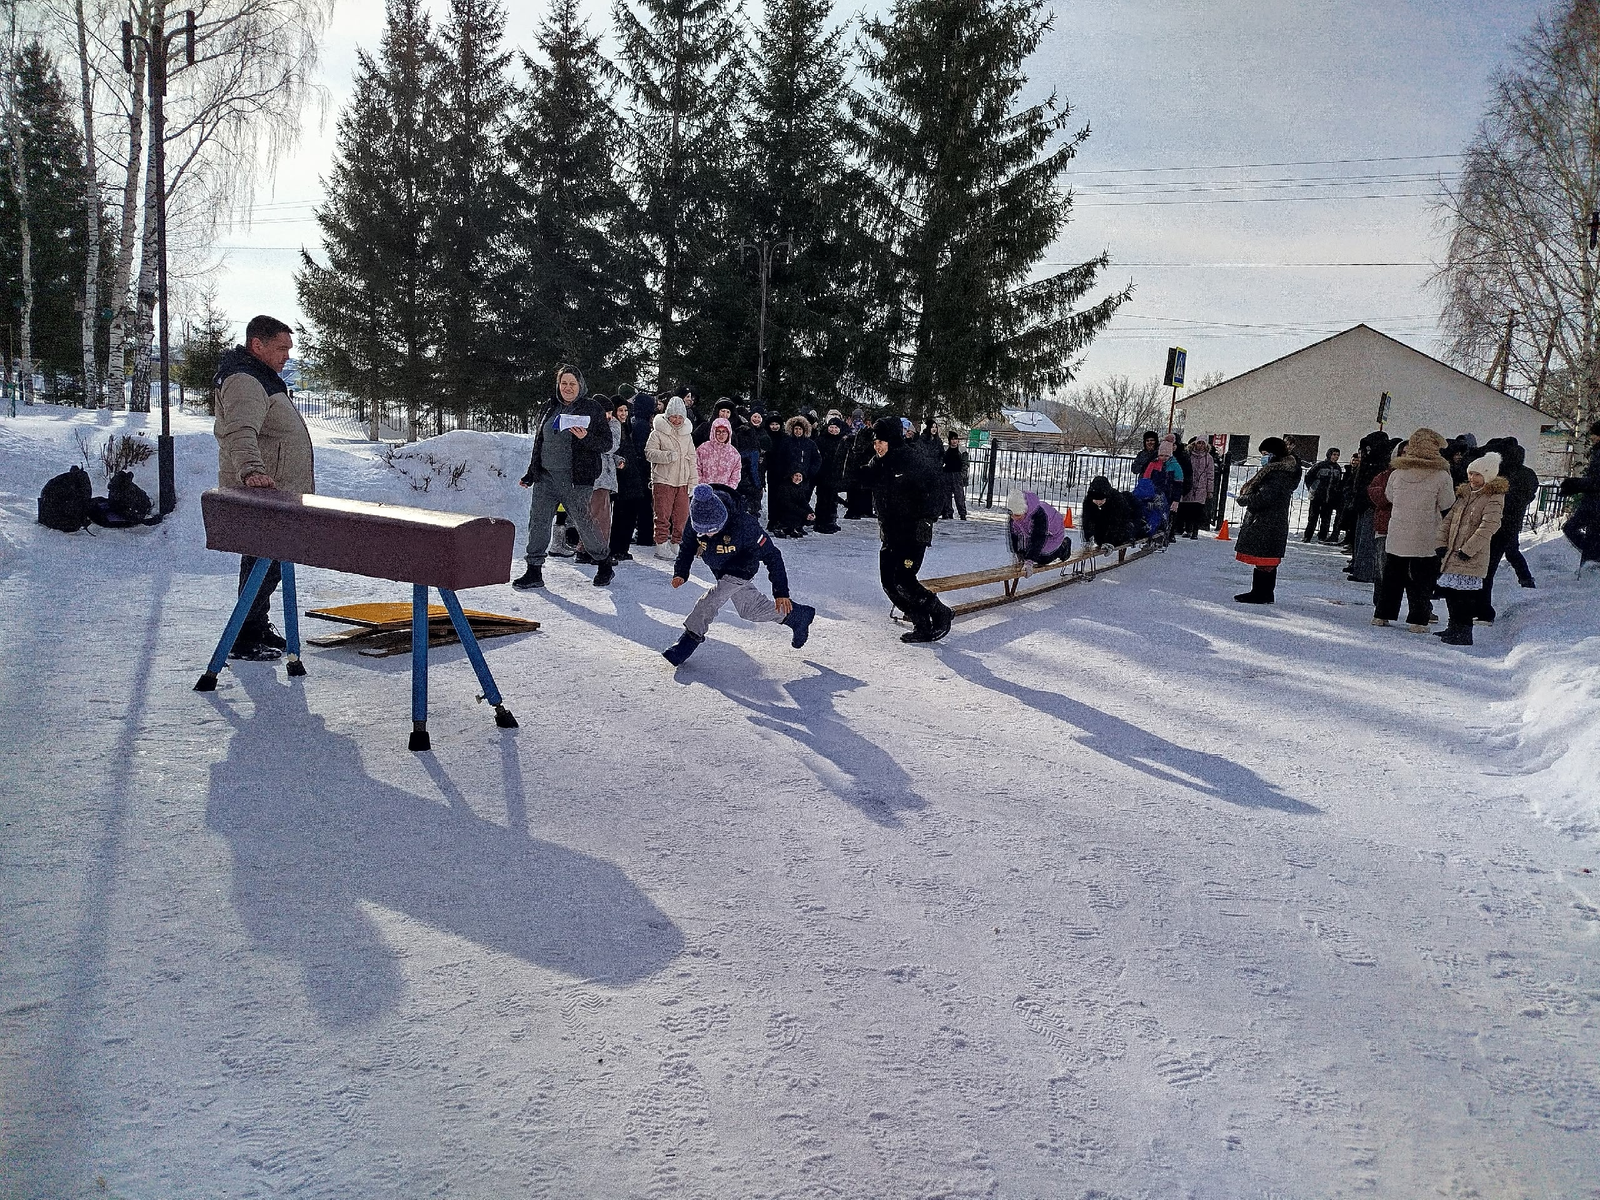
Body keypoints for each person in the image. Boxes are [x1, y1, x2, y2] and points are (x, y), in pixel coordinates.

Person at [212, 314, 314, 661]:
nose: (287, 356)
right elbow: (240, 430)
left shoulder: (259, 377)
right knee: (262, 563)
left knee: (268, 563)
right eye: (281, 348)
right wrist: (252, 472)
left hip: (277, 492)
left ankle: (255, 624)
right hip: (264, 492)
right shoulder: (244, 379)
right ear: (258, 345)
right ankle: (244, 635)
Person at [661, 484, 816, 665]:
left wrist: (781, 592)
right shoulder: (695, 520)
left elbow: (772, 555)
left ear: (723, 518)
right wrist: (681, 572)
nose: (708, 535)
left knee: (710, 601)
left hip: (742, 568)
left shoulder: (745, 525)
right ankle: (797, 616)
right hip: (719, 568)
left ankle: (687, 642)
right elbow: (687, 547)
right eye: (703, 531)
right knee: (750, 610)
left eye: (713, 529)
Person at [515, 364, 616, 589]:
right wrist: (532, 473)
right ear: (558, 385)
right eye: (564, 383)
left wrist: (586, 437)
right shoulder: (549, 407)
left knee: (584, 523)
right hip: (546, 477)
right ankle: (534, 571)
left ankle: (604, 563)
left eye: (572, 384)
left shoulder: (592, 408)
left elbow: (606, 443)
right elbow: (539, 442)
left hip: (575, 479)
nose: (567, 388)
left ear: (580, 385)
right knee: (538, 522)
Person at [863, 415, 951, 643]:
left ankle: (940, 613)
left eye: (881, 441)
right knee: (889, 583)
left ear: (892, 439)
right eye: (875, 442)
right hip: (890, 534)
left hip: (913, 533)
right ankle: (921, 623)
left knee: (904, 579)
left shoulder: (912, 460)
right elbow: (856, 478)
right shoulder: (877, 463)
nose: (877, 446)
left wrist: (927, 519)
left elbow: (937, 486)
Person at [1372, 428, 1457, 631]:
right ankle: (1418, 620)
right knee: (1422, 579)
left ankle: (1382, 615)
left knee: (1392, 576)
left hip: (1398, 532)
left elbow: (1390, 497)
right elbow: (1447, 503)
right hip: (1426, 535)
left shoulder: (1397, 473)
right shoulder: (1441, 475)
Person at [1433, 452, 1508, 646]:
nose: (1472, 478)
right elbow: (1449, 520)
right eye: (1470, 473)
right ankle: (1453, 627)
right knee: (1450, 591)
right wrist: (1441, 543)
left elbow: (1489, 525)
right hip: (1452, 552)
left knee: (1464, 596)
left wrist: (1469, 549)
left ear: (1488, 476)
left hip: (1471, 555)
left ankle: (1464, 631)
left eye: (1477, 475)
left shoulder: (1494, 497)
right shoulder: (1465, 494)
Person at [1474, 437, 1539, 620]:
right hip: (1511, 524)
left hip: (1493, 524)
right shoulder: (1527, 474)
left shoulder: (1499, 474)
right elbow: (1530, 496)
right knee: (1509, 554)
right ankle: (1525, 580)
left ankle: (1483, 610)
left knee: (1485, 568)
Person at [1232, 437, 1302, 604]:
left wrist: (1246, 499)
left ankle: (1261, 593)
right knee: (1265, 558)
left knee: (1265, 558)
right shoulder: (1281, 471)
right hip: (1271, 520)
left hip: (1268, 521)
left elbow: (1265, 497)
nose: (1263, 457)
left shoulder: (1277, 473)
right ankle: (1261, 592)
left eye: (1265, 454)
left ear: (1274, 454)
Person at [645, 395, 699, 556]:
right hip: (663, 480)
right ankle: (661, 545)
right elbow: (649, 453)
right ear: (668, 416)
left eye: (680, 417)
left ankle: (677, 544)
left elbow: (692, 459)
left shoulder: (687, 435)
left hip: (682, 481)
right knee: (662, 515)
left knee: (682, 517)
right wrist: (667, 456)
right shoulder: (657, 433)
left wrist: (693, 482)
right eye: (673, 416)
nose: (676, 420)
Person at [577, 394, 621, 563]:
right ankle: (596, 551)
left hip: (601, 477)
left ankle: (587, 549)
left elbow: (611, 448)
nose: (609, 417)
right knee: (598, 515)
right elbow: (609, 445)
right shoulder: (599, 426)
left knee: (597, 514)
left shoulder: (609, 425)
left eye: (611, 413)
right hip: (595, 477)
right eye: (606, 413)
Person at [609, 396, 649, 562]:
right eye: (620, 410)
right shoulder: (613, 427)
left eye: (625, 410)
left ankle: (622, 548)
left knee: (630, 514)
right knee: (620, 514)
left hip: (632, 477)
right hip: (621, 477)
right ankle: (616, 548)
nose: (624, 413)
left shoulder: (627, 427)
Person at [767, 415, 820, 537]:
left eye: (800, 429)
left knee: (802, 501)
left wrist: (810, 472)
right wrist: (784, 474)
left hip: (804, 478)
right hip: (788, 478)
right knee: (786, 502)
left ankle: (798, 525)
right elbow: (780, 459)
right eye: (796, 429)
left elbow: (817, 459)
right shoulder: (786, 442)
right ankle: (783, 524)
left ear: (804, 430)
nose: (798, 431)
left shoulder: (810, 444)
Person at [1559, 420, 1600, 566]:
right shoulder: (1596, 452)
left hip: (1594, 503)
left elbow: (1596, 481)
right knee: (1588, 535)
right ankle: (1592, 558)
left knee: (1573, 529)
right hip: (1592, 502)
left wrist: (1574, 484)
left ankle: (1594, 558)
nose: (1592, 438)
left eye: (1595, 434)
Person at [1007, 489, 1072, 570]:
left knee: (1042, 558)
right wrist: (1017, 553)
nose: (1014, 518)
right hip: (1032, 531)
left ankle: (1063, 547)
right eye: (1012, 515)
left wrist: (1029, 561)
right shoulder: (1014, 514)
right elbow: (1014, 534)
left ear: (1025, 511)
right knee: (1026, 552)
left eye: (1017, 515)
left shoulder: (1039, 515)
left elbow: (1038, 537)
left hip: (1054, 534)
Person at [1081, 475, 1139, 546]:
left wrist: (1109, 541)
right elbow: (1087, 520)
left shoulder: (1117, 500)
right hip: (1103, 524)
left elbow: (1118, 522)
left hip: (1123, 525)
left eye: (1102, 500)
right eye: (1096, 500)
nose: (1099, 503)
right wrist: (1088, 538)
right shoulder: (1088, 501)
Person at [812, 415, 847, 533]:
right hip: (823, 474)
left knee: (833, 499)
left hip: (836, 475)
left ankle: (831, 521)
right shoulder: (821, 440)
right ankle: (820, 523)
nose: (833, 430)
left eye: (836, 427)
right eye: (831, 427)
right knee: (823, 499)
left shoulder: (842, 441)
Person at [1302, 448, 1343, 542]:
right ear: (1329, 455)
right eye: (1334, 454)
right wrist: (1312, 489)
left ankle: (1322, 536)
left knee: (1326, 518)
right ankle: (1307, 536)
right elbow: (1308, 477)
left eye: (1337, 455)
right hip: (1317, 496)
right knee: (1313, 517)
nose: (1335, 457)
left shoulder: (1337, 468)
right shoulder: (1319, 466)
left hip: (1330, 498)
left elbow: (1338, 482)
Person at [1177, 436, 1213, 538]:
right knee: (1187, 508)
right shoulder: (1189, 456)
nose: (1200, 445)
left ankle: (1195, 530)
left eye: (1203, 443)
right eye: (1199, 443)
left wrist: (1209, 490)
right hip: (1189, 485)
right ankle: (1187, 529)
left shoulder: (1208, 458)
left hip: (1201, 486)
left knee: (1197, 510)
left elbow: (1210, 475)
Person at [696, 415, 742, 489]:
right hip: (705, 490)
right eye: (718, 431)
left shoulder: (734, 454)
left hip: (725, 493)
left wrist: (729, 489)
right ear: (713, 432)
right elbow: (696, 468)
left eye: (724, 431)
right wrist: (701, 485)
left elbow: (735, 477)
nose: (721, 435)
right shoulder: (703, 449)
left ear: (729, 433)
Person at [843, 423, 878, 519]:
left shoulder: (870, 435)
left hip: (865, 463)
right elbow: (857, 449)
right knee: (855, 489)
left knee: (866, 489)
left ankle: (866, 510)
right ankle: (853, 511)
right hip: (856, 465)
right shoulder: (856, 436)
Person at [941, 432, 970, 521]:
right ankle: (948, 512)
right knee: (946, 495)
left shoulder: (962, 450)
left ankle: (962, 513)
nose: (954, 441)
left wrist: (962, 475)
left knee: (959, 496)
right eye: (952, 439)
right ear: (949, 440)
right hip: (947, 474)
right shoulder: (945, 450)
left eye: (956, 439)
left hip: (957, 474)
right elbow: (941, 461)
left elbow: (965, 464)